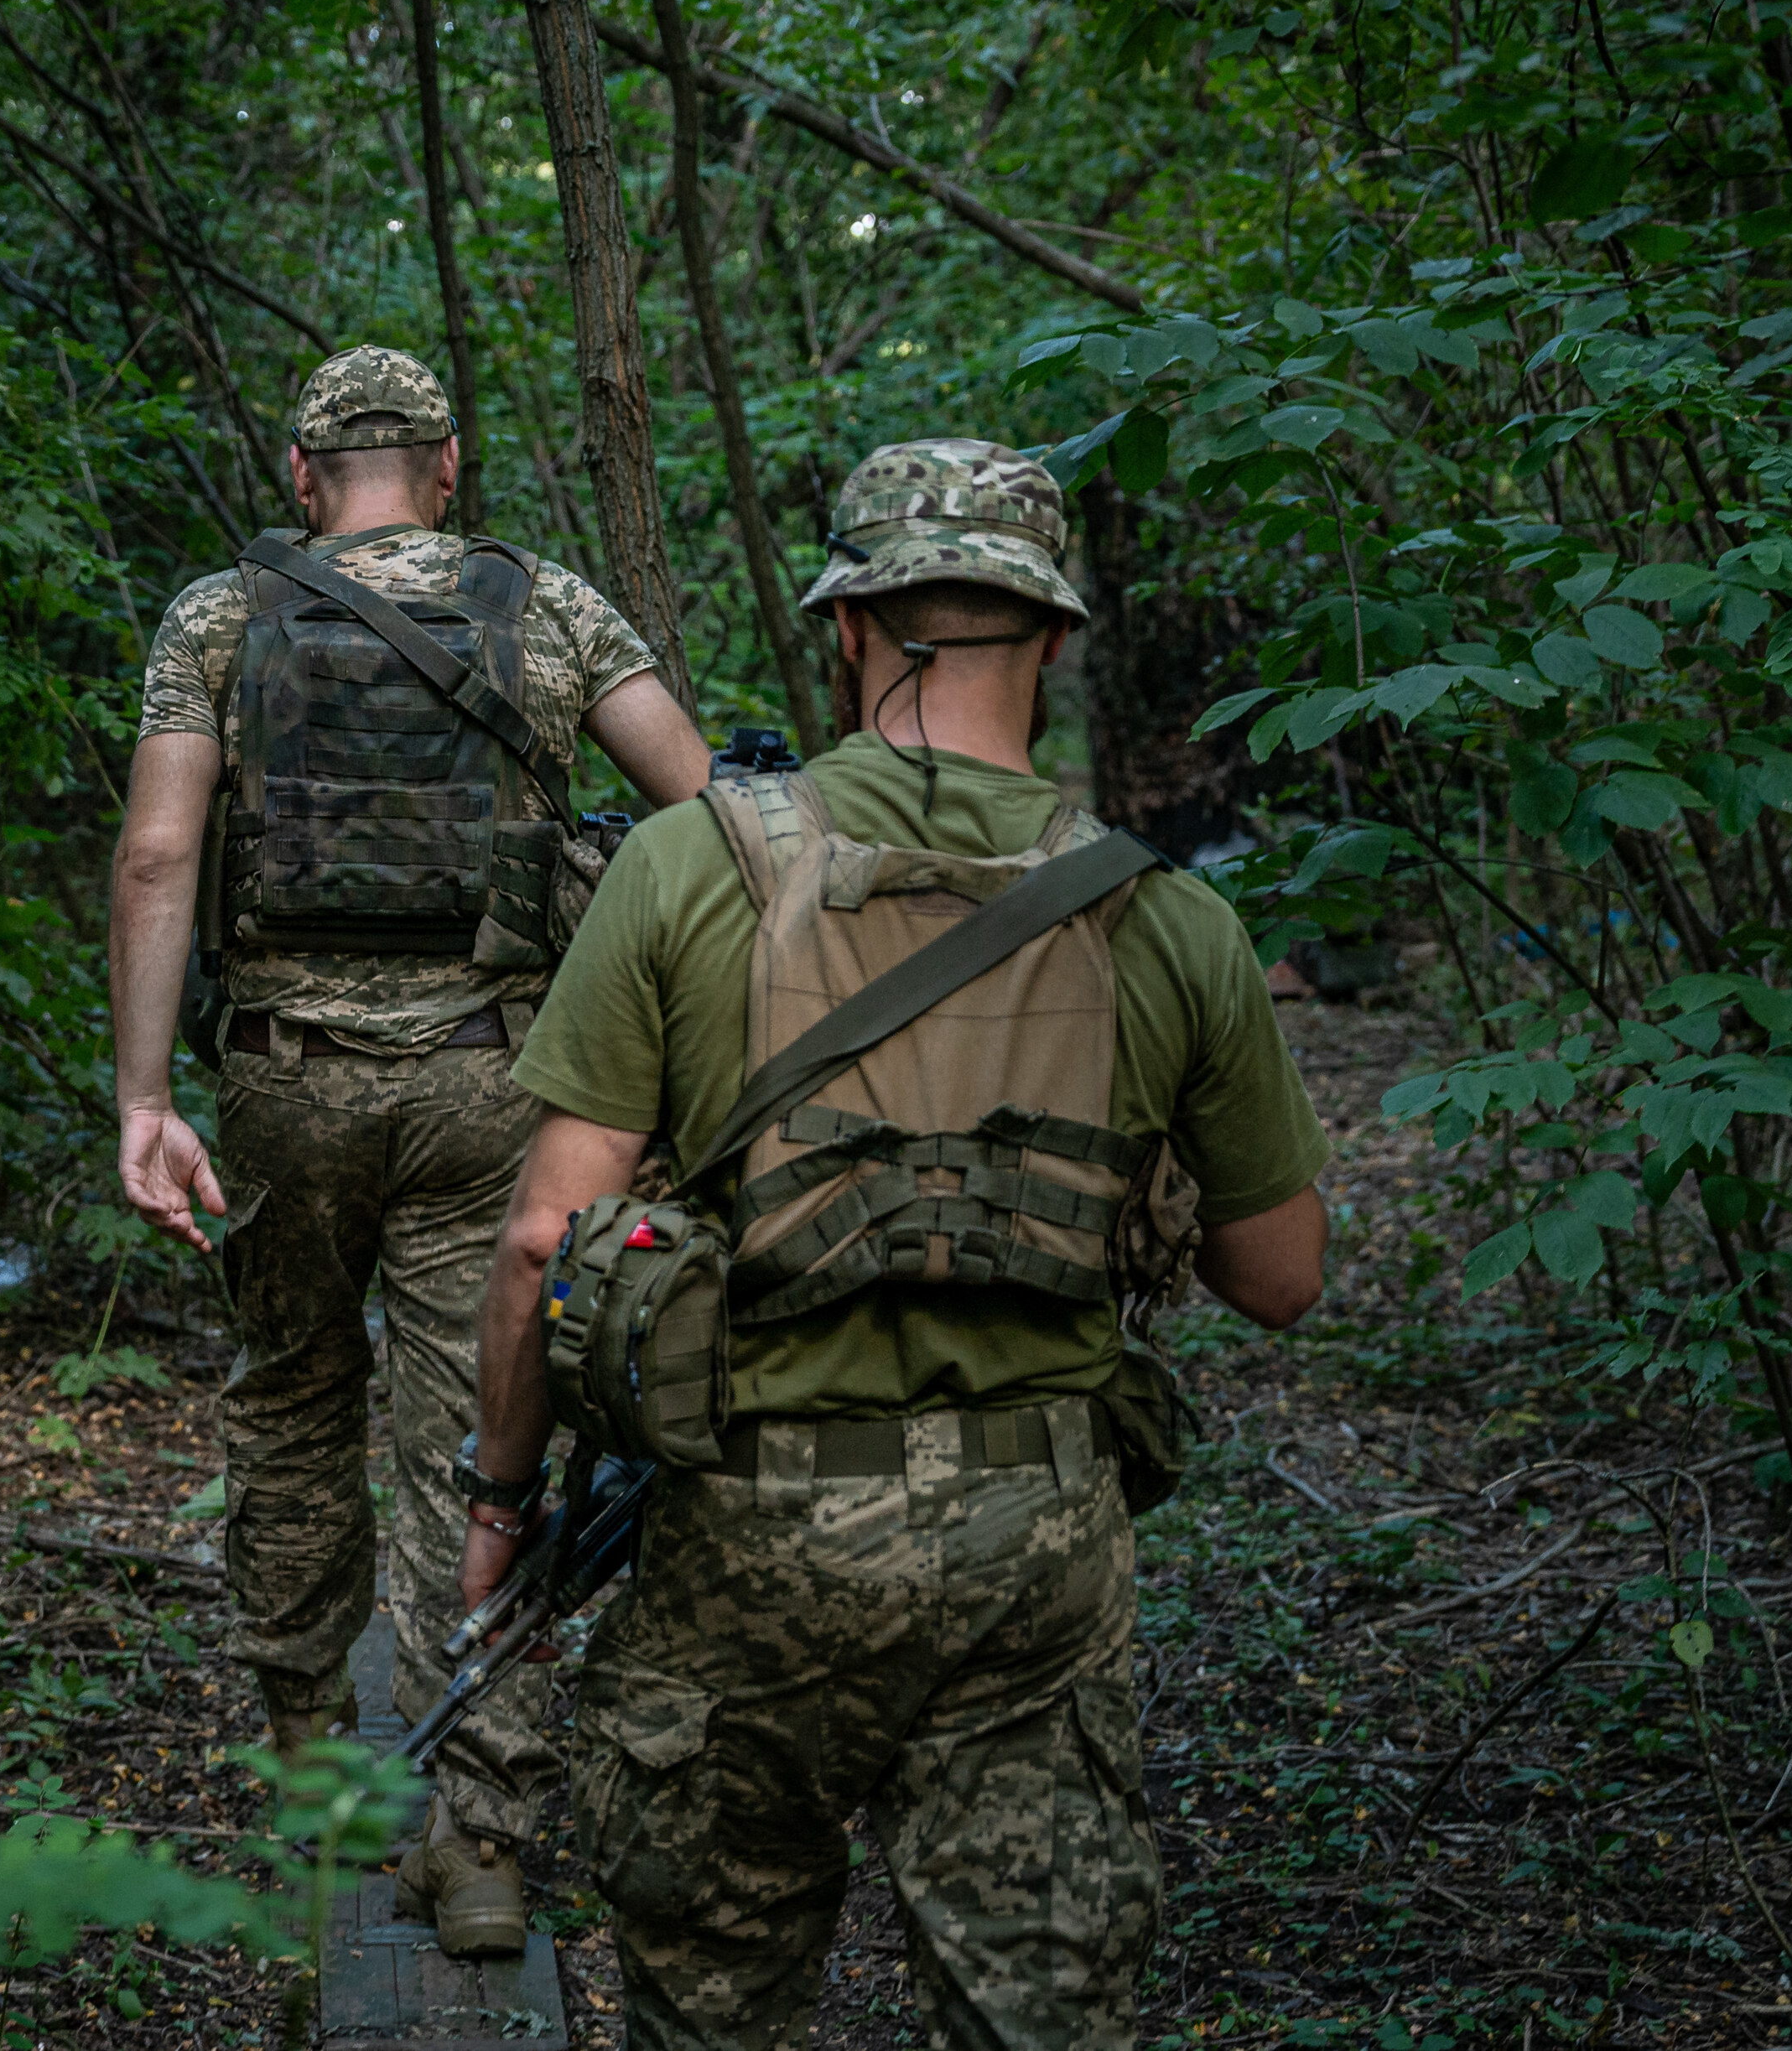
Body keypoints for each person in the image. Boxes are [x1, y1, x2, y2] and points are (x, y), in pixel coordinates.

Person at [458, 438, 1332, 2048]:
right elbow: (1280, 1278)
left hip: (749, 1536)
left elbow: (536, 1247)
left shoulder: (685, 867)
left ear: (850, 629)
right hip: (1036, 1551)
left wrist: (500, 1510)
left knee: (714, 2007)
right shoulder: (1169, 919)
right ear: (1053, 642)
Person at [110, 345, 710, 1956]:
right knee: (480, 1433)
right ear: (446, 466)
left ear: (304, 477)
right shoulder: (552, 604)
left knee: (295, 1403)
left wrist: (144, 1100)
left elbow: (164, 849)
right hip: (498, 1082)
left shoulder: (220, 615)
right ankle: (483, 1843)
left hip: (285, 1088)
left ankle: (317, 1800)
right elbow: (706, 818)